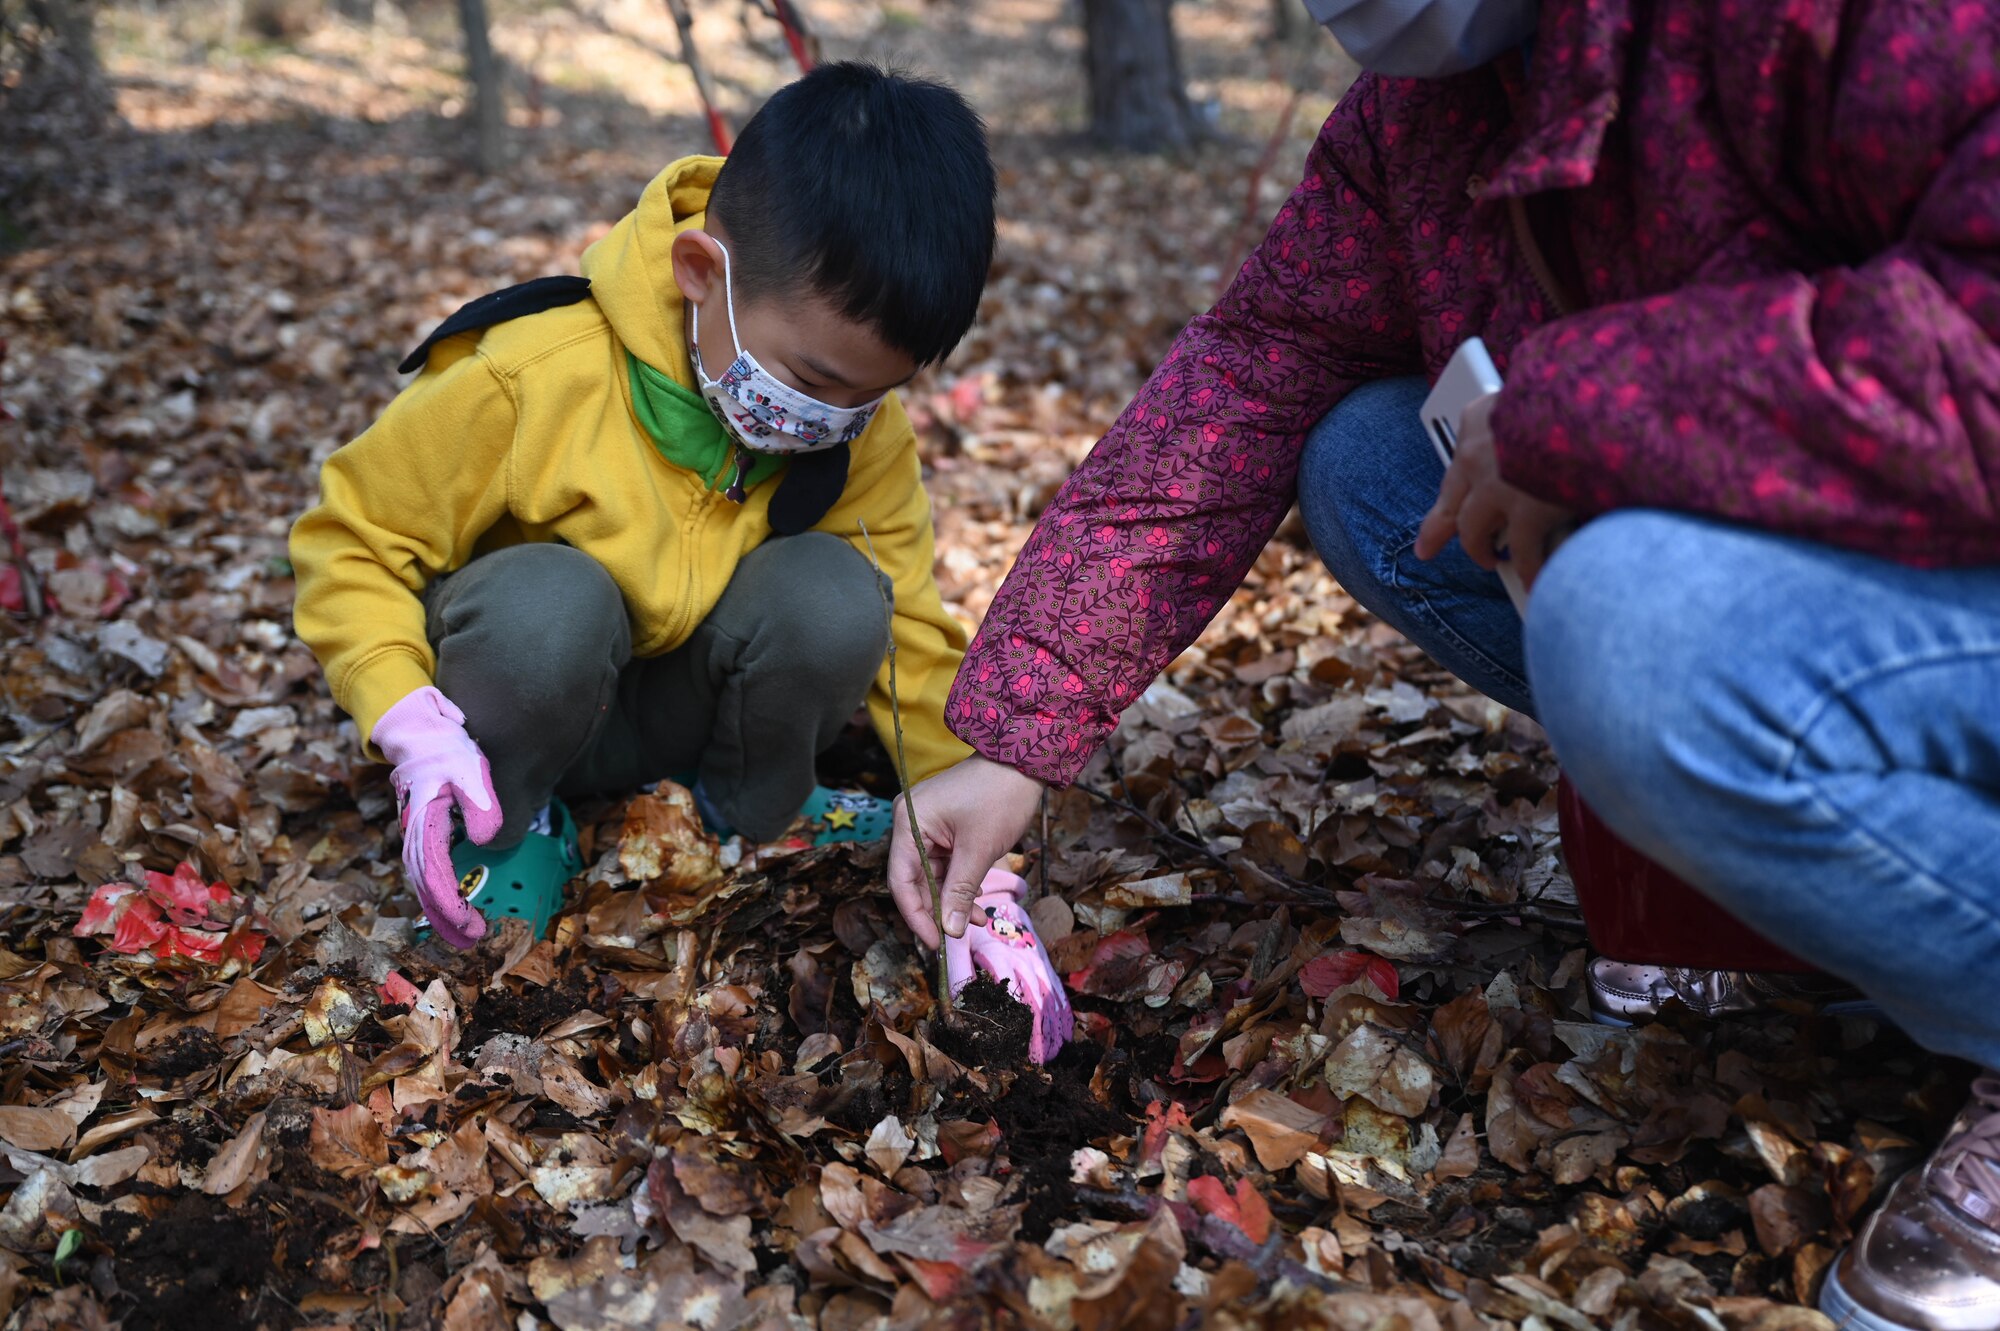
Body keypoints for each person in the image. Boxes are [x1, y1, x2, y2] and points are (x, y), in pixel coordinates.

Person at [886, 3, 2000, 1327]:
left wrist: (1571, 411)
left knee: (1625, 624)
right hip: (1824, 560)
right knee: (1371, 463)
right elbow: (1259, 362)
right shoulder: (1433, 110)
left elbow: (1976, 350)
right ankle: (1807, 880)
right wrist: (1019, 729)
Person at [291, 62, 992, 949]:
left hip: (687, 713)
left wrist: (961, 803)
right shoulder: (530, 376)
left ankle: (754, 806)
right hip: (521, 706)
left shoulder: (858, 429)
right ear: (701, 270)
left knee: (839, 589)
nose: (832, 418)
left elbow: (913, 627)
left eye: (867, 396)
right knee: (549, 602)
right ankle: (502, 828)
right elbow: (352, 539)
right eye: (813, 380)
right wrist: (401, 711)